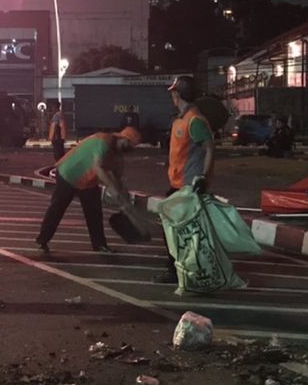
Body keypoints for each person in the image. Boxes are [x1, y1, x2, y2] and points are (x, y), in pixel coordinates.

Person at [35, 126, 141, 255]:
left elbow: (118, 177)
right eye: (129, 143)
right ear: (122, 138)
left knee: (95, 213)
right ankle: (42, 240)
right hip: (69, 174)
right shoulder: (103, 141)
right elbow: (98, 167)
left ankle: (100, 245)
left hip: (87, 181)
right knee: (57, 209)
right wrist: (112, 188)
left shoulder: (117, 154)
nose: (130, 148)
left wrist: (123, 199)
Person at [154, 74, 214, 284]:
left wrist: (203, 178)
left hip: (189, 186)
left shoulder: (194, 120)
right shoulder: (181, 119)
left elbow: (209, 150)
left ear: (177, 94)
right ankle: (185, 269)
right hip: (177, 183)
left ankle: (176, 270)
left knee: (176, 230)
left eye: (173, 92)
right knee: (176, 229)